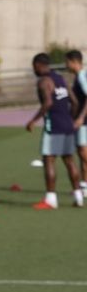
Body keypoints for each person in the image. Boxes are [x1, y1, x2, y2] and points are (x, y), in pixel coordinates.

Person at [26, 53, 82, 209]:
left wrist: (33, 120)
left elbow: (48, 103)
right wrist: (70, 119)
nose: (33, 70)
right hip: (68, 126)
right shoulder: (61, 78)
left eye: (33, 67)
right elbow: (75, 102)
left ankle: (51, 199)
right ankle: (78, 196)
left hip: (54, 127)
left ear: (38, 65)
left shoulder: (44, 81)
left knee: (49, 160)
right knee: (69, 160)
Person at [62, 50, 87, 197]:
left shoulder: (82, 77)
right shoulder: (79, 77)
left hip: (83, 121)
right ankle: (84, 186)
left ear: (73, 62)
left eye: (67, 62)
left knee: (83, 153)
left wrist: (80, 118)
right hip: (81, 120)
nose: (66, 65)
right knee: (81, 152)